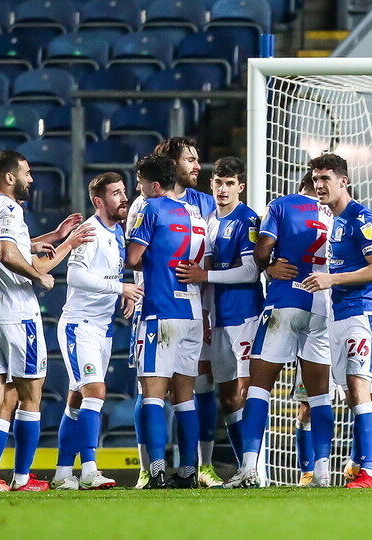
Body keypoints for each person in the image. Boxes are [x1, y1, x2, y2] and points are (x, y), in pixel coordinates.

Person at [0, 150, 90, 492]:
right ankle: (23, 478)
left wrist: (54, 238)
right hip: (14, 312)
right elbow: (8, 253)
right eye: (26, 173)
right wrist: (40, 275)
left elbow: (5, 247)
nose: (31, 179)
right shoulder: (11, 209)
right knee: (30, 394)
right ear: (9, 177)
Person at [223, 165, 335, 489]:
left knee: (257, 387)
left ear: (301, 184)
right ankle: (322, 473)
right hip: (323, 308)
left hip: (285, 303)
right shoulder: (337, 213)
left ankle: (248, 469)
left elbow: (260, 252)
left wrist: (269, 266)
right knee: (318, 397)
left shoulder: (281, 205)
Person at [129, 136, 217, 488]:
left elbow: (133, 258)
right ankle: (190, 471)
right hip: (192, 311)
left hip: (158, 309)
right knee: (185, 396)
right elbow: (205, 262)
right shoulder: (196, 214)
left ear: (152, 184)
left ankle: (154, 472)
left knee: (151, 392)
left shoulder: (148, 208)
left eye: (138, 183)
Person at [300, 154, 372, 489]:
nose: (319, 185)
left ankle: (366, 472)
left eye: (325, 178)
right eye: (315, 179)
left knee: (358, 387)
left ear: (343, 181)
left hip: (362, 314)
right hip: (341, 314)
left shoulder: (360, 218)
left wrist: (332, 281)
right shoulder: (333, 220)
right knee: (354, 394)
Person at [52, 172, 143, 490]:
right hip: (79, 326)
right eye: (116, 194)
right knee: (96, 392)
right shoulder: (89, 231)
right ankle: (90, 469)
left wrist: (122, 295)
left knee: (76, 399)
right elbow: (75, 277)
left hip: (101, 328)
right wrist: (120, 287)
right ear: (98, 201)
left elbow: (108, 275)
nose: (124, 198)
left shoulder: (118, 232)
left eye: (123, 192)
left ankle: (64, 473)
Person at [176, 157, 264, 483]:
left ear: (241, 186)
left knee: (242, 392)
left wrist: (205, 273)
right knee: (224, 397)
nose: (223, 189)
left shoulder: (248, 220)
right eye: (218, 183)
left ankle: (252, 468)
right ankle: (229, 469)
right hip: (217, 319)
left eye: (229, 183)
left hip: (245, 316)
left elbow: (251, 271)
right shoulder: (209, 220)